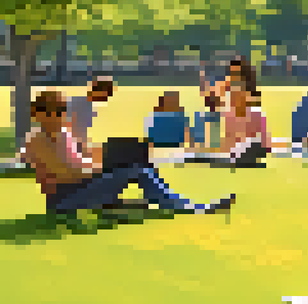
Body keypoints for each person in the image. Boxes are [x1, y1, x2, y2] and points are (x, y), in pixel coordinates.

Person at [19, 91, 235, 215]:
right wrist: (101, 170)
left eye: (60, 111)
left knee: (139, 160)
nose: (56, 116)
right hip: (65, 199)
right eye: (50, 111)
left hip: (82, 185)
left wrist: (103, 160)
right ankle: (195, 208)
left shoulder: (63, 132)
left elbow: (78, 161)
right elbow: (66, 173)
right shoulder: (38, 138)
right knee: (137, 171)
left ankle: (162, 199)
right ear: (36, 113)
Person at [218, 87, 272, 166]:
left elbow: (265, 137)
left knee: (251, 144)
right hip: (238, 151)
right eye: (233, 98)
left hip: (253, 147)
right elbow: (229, 138)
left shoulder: (255, 113)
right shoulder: (229, 115)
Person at [66, 77, 115, 161]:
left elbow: (81, 132)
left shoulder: (87, 106)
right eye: (106, 94)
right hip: (68, 146)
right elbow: (74, 130)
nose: (106, 99)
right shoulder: (78, 104)